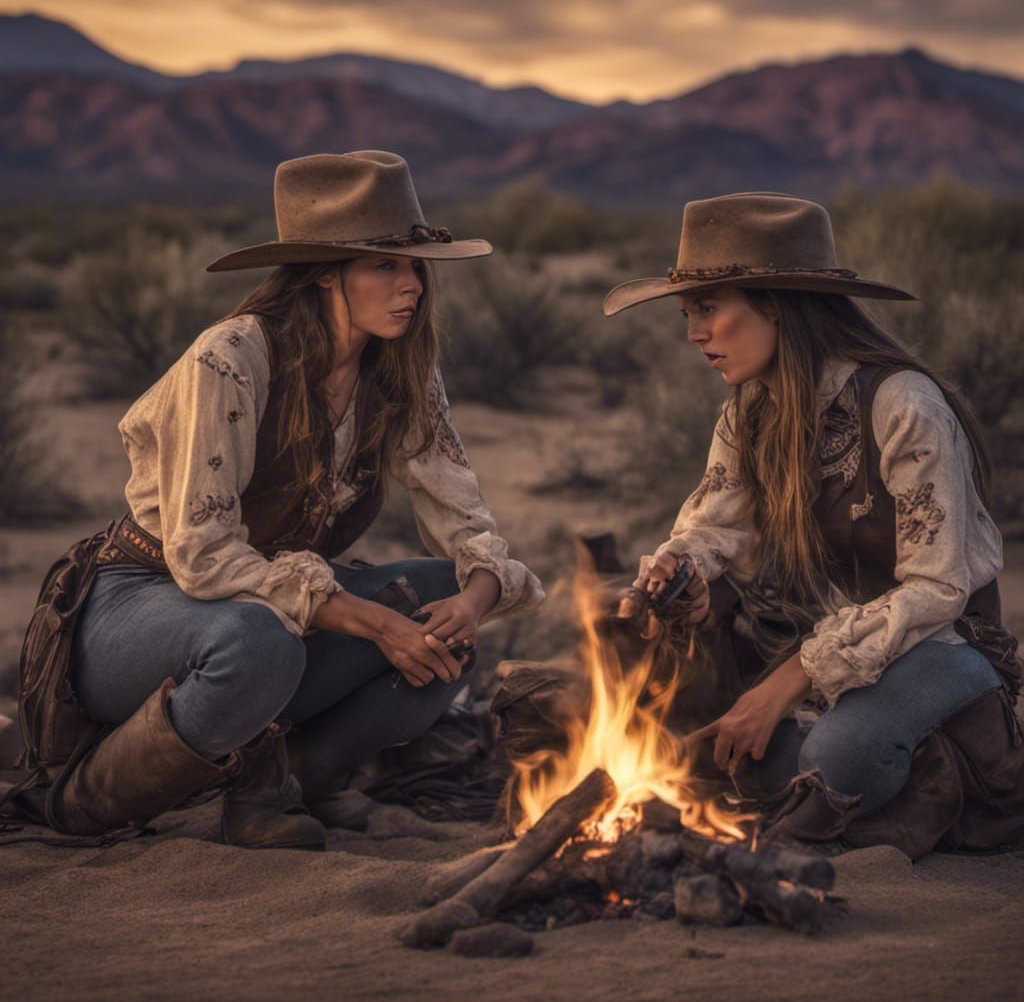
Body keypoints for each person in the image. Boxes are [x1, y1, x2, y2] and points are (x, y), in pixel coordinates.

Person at [13, 150, 543, 851]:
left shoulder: (404, 371)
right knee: (259, 642)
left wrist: (468, 606)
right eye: (384, 264)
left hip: (274, 612)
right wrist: (377, 626)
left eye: (416, 265)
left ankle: (287, 781)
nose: (410, 283)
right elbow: (201, 554)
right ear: (325, 272)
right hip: (144, 600)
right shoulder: (230, 359)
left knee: (440, 607)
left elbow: (463, 520)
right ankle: (79, 803)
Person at [603, 192, 1024, 857]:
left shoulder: (901, 404)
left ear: (777, 304)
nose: (694, 335)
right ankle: (881, 778)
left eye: (709, 310)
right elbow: (716, 525)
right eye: (688, 315)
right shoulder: (750, 413)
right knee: (708, 734)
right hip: (832, 649)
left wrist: (788, 679)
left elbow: (936, 590)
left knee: (831, 755)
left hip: (946, 644)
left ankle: (925, 771)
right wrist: (679, 566)